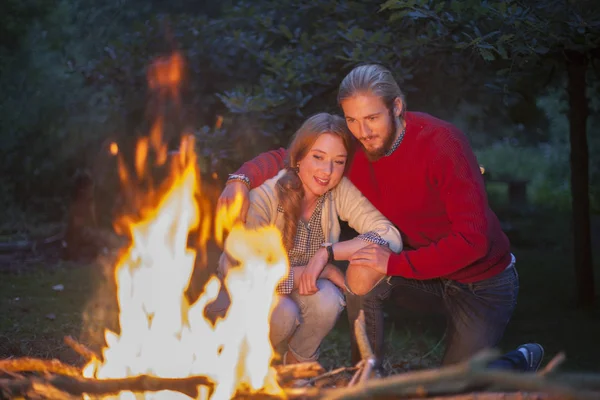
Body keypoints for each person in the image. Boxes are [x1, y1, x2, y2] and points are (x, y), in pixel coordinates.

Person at [217, 64, 544, 373]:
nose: (362, 131)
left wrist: (386, 263)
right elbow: (292, 156)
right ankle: (367, 372)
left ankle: (515, 362)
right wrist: (240, 180)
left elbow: (473, 242)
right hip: (420, 269)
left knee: (453, 388)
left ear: (397, 107)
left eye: (372, 117)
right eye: (352, 120)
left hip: (480, 280)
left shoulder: (444, 145)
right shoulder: (354, 144)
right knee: (362, 272)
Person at [208, 112, 403, 366]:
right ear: (298, 157)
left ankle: (299, 367)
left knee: (328, 300)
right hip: (237, 299)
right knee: (284, 313)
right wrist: (320, 272)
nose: (327, 171)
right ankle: (238, 365)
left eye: (338, 161)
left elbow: (390, 236)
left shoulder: (337, 191)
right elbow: (246, 274)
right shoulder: (263, 197)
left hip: (287, 291)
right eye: (318, 157)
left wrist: (329, 253)